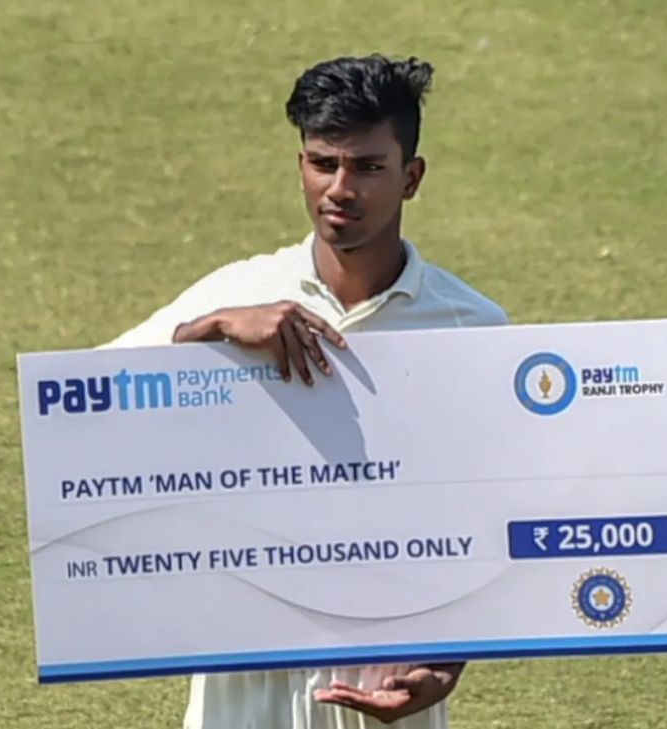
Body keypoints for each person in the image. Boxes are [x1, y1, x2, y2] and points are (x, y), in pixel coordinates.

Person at [104, 54, 509, 729]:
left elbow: (499, 512)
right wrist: (202, 334)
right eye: (323, 163)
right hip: (242, 664)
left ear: (412, 177)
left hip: (385, 670)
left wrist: (449, 660)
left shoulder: (472, 327)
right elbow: (77, 402)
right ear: (300, 166)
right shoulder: (233, 295)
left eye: (368, 167)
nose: (340, 189)